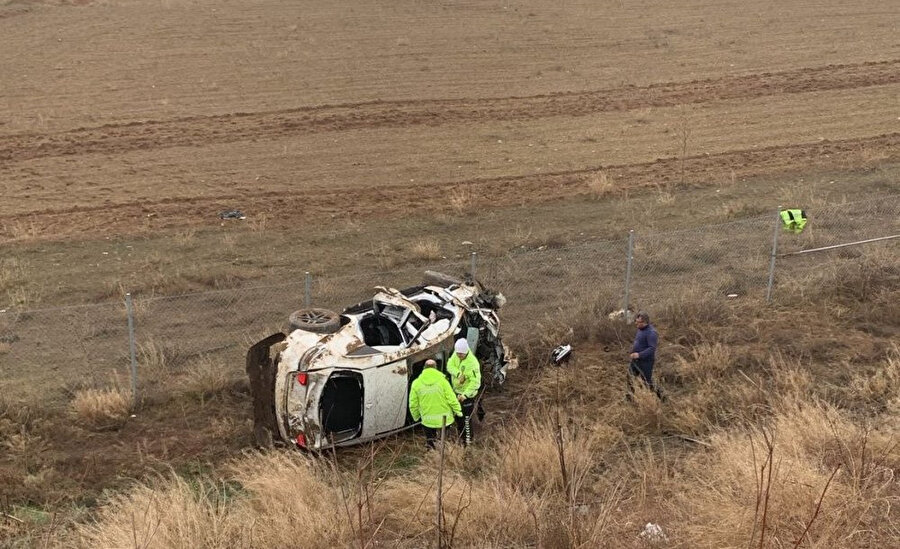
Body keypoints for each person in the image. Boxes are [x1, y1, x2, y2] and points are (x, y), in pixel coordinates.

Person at [409, 359, 462, 449]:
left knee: (430, 442)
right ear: (436, 368)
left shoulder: (416, 383)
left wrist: (416, 416)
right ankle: (446, 453)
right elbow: (451, 399)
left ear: (424, 368)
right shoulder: (443, 381)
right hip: (445, 419)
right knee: (445, 442)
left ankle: (431, 453)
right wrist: (458, 411)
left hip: (427, 419)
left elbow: (413, 403)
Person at [446, 338, 483, 444]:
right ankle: (460, 438)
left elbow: (475, 382)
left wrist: (465, 395)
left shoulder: (473, 363)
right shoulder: (456, 354)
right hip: (456, 392)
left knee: (466, 419)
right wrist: (459, 374)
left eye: (461, 354)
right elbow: (449, 366)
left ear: (466, 352)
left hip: (467, 395)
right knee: (458, 417)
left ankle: (468, 441)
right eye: (457, 353)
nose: (459, 356)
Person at [627, 311, 661, 399]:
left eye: (638, 322)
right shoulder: (640, 329)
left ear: (645, 322)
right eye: (636, 321)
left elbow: (652, 348)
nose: (636, 323)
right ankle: (629, 398)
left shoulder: (651, 333)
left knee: (647, 382)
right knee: (630, 378)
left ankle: (662, 397)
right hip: (635, 361)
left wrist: (639, 354)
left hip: (646, 362)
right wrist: (632, 350)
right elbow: (638, 342)